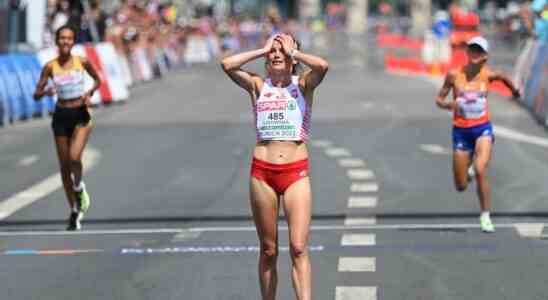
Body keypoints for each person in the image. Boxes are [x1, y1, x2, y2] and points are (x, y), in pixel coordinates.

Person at [221, 33, 328, 300]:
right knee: (268, 250)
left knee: (299, 247)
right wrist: (262, 49)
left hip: (295, 173)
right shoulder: (258, 85)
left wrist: (295, 53)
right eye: (273, 52)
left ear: (292, 57)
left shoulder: (303, 84)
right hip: (262, 174)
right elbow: (228, 65)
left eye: (282, 50)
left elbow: (322, 66)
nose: (276, 54)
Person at [436, 36, 520, 233]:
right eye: (472, 49)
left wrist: (515, 92)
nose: (474, 54)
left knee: (481, 169)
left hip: (482, 129)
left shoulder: (488, 75)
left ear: (485, 56)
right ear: (467, 52)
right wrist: (449, 105)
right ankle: (469, 170)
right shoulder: (454, 75)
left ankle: (485, 216)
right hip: (461, 132)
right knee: (461, 185)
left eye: (479, 51)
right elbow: (439, 99)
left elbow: (504, 77)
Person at [34, 25, 101, 231]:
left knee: (74, 158)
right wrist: (46, 92)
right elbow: (36, 94)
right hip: (61, 116)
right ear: (56, 41)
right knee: (64, 168)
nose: (65, 42)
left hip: (81, 114)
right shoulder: (49, 67)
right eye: (62, 38)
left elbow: (98, 80)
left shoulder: (82, 61)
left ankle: (79, 187)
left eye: (69, 38)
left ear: (73, 42)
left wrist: (90, 93)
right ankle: (74, 210)